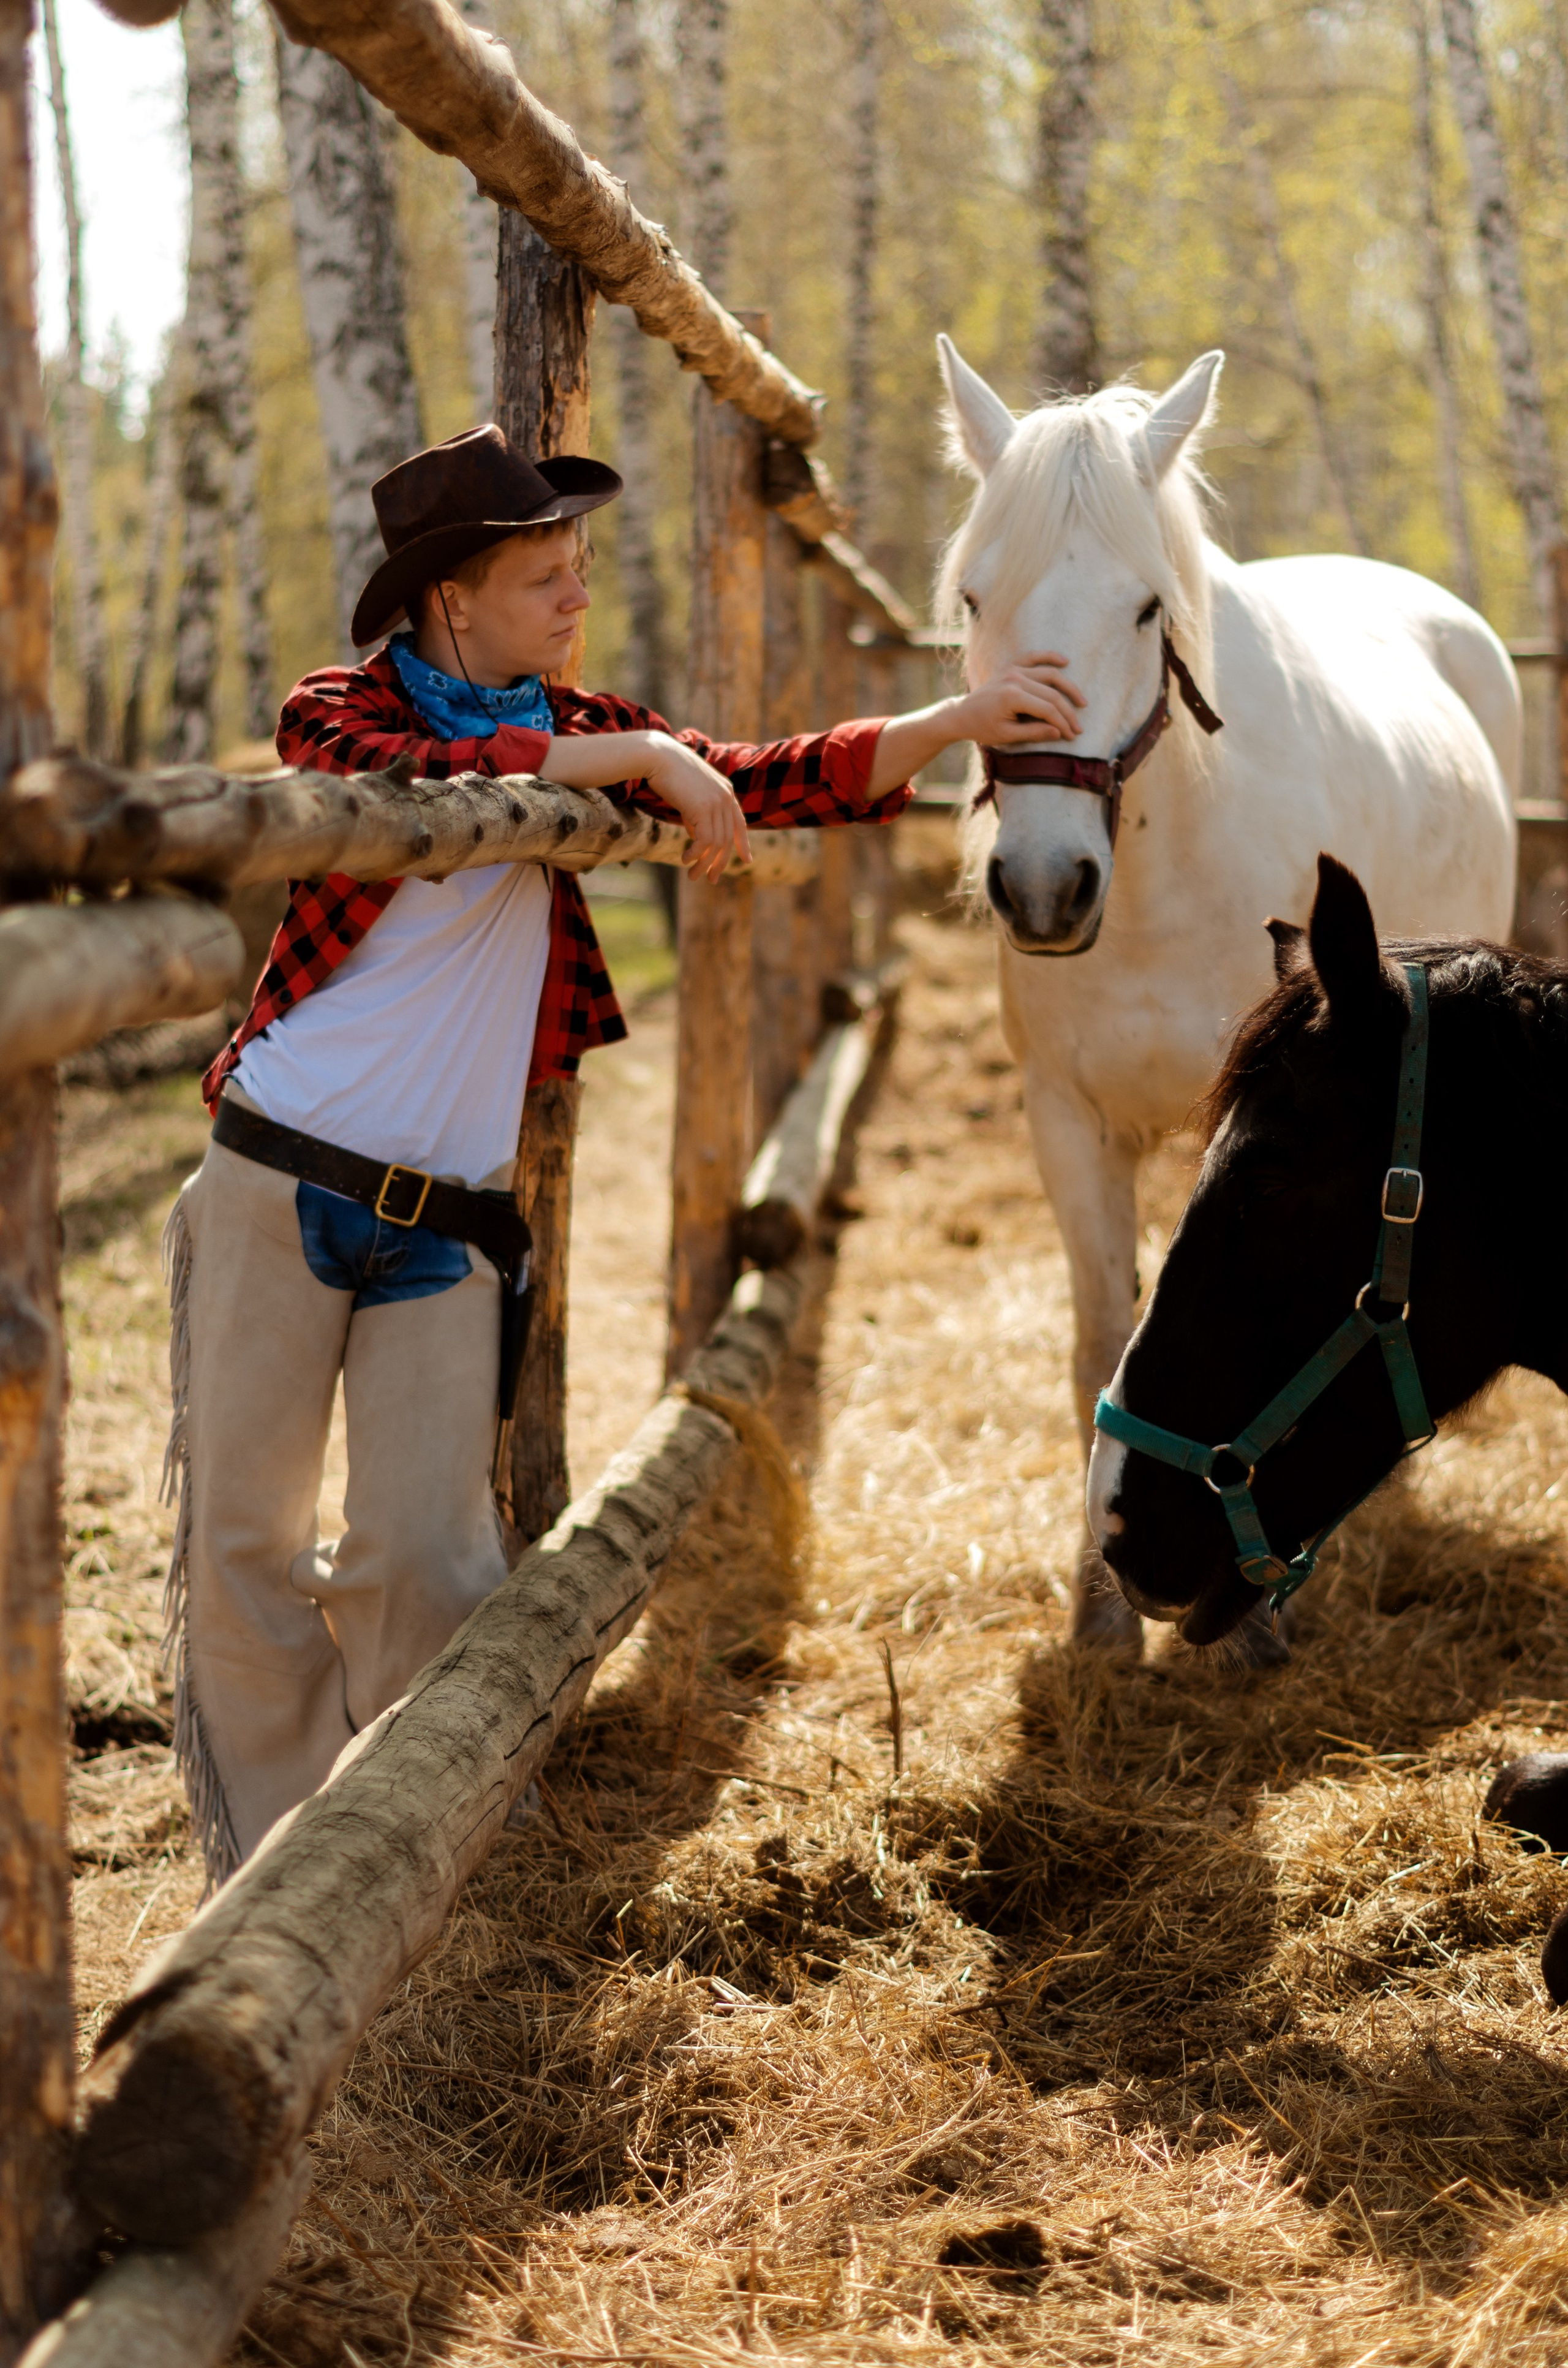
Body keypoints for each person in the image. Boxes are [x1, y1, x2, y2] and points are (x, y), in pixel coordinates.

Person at [165, 423, 1085, 1886]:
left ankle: (406, 1859)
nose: (574, 595)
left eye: (578, 566)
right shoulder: (334, 710)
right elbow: (424, 769)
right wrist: (639, 753)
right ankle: (270, 1873)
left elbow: (766, 778)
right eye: (545, 574)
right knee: (243, 1547)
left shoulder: (583, 726)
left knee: (426, 1555)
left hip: (448, 1220)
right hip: (278, 1172)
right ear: (452, 596)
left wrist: (957, 722)